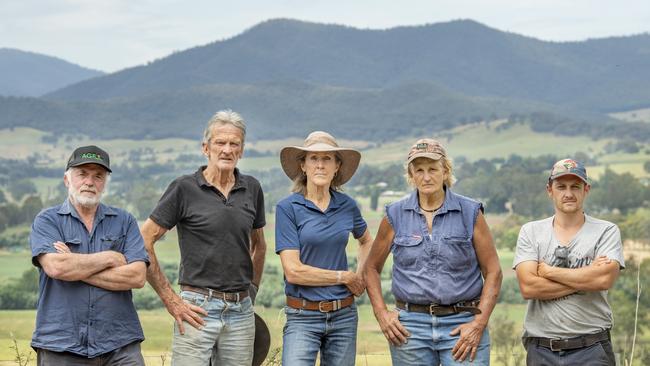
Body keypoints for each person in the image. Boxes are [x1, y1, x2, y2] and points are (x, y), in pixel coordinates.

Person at [141, 109, 267, 366]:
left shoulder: (252, 188)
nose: (227, 150)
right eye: (220, 142)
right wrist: (171, 300)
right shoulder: (183, 188)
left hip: (241, 310)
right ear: (205, 148)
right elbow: (144, 240)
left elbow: (259, 246)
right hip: (196, 308)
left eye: (235, 144)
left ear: (242, 150)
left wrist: (251, 291)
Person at [364, 138, 502, 365]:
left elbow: (494, 271)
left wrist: (478, 325)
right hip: (410, 329)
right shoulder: (394, 215)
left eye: (432, 169)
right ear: (411, 175)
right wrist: (382, 314)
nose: (426, 177)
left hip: (462, 325)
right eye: (419, 170)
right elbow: (370, 268)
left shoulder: (470, 212)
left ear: (445, 170)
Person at [30, 145, 149, 365]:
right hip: (61, 343)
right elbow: (57, 268)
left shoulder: (125, 221)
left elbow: (137, 277)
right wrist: (111, 258)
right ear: (67, 180)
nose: (89, 182)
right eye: (82, 174)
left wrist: (74, 266)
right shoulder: (48, 220)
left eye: (98, 176)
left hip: (120, 344)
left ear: (104, 183)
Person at [275, 131, 373, 366]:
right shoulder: (288, 208)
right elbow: (293, 271)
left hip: (344, 315)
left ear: (337, 166)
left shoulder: (347, 205)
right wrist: (344, 276)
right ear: (303, 165)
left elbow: (367, 240)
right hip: (302, 316)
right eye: (313, 158)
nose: (320, 165)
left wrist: (360, 275)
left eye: (327, 159)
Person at [513, 158, 624, 365]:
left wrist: (548, 272)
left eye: (575, 186)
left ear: (586, 189)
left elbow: (603, 280)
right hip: (541, 350)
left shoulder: (606, 231)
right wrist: (586, 276)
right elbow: (529, 287)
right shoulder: (531, 231)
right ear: (550, 190)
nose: (569, 193)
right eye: (561, 187)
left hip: (592, 349)